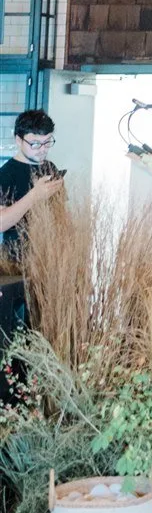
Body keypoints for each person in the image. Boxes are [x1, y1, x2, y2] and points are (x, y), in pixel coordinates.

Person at [0, 108, 65, 376]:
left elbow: (62, 218)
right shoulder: (7, 173)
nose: (42, 149)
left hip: (50, 266)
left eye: (48, 142)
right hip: (16, 268)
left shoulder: (50, 168)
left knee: (46, 336)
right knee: (18, 340)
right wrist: (34, 197)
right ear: (18, 140)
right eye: (35, 143)